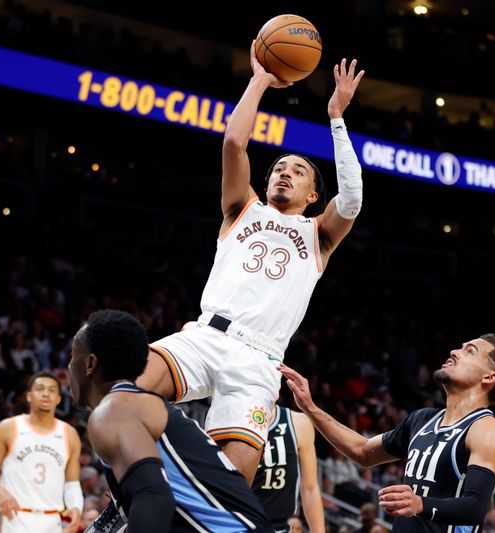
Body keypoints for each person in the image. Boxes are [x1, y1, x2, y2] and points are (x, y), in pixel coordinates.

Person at [137, 40, 366, 484]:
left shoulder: (319, 233)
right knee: (128, 389)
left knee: (234, 481)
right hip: (206, 335)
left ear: (314, 196)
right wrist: (260, 80)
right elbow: (234, 143)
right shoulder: (243, 207)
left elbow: (353, 198)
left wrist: (337, 118)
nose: (284, 172)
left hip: (261, 361)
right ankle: (130, 500)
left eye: (297, 171)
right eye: (279, 167)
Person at [280, 334, 495, 532]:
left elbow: (476, 507)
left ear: (489, 377)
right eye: (459, 347)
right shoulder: (422, 419)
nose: (454, 352)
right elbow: (362, 451)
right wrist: (310, 408)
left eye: (469, 351)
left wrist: (420, 504)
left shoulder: (485, 428)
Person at [67, 309, 272, 532]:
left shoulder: (114, 411)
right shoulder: (133, 406)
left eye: (72, 356)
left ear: (90, 363)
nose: (68, 366)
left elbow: (154, 497)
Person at [0, 372, 83, 533]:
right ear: (28, 396)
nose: (46, 394)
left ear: (58, 399)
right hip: (14, 518)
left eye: (52, 390)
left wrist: (76, 506)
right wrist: (0, 492)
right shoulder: (8, 427)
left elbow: (72, 483)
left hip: (52, 520)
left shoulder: (69, 434)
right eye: (40, 389)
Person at [252, 404, 324, 533]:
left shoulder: (299, 422)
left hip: (280, 526)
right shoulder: (230, 420)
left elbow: (310, 488)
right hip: (241, 523)